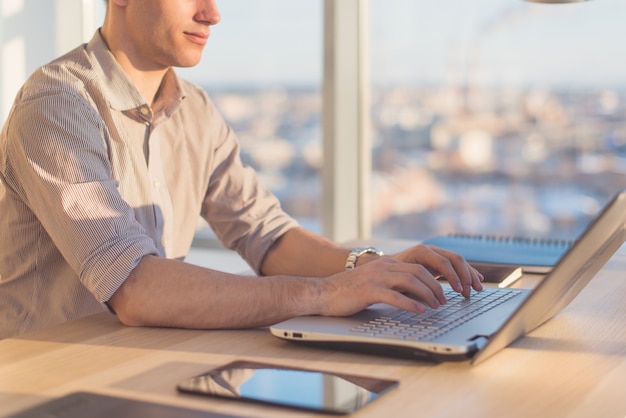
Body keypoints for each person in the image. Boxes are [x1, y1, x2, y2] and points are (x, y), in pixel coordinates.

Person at [0, 0, 483, 339]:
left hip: (145, 369)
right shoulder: (56, 106)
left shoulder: (196, 111)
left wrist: (373, 267)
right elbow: (135, 289)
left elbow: (267, 236)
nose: (212, 13)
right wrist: (326, 293)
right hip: (55, 390)